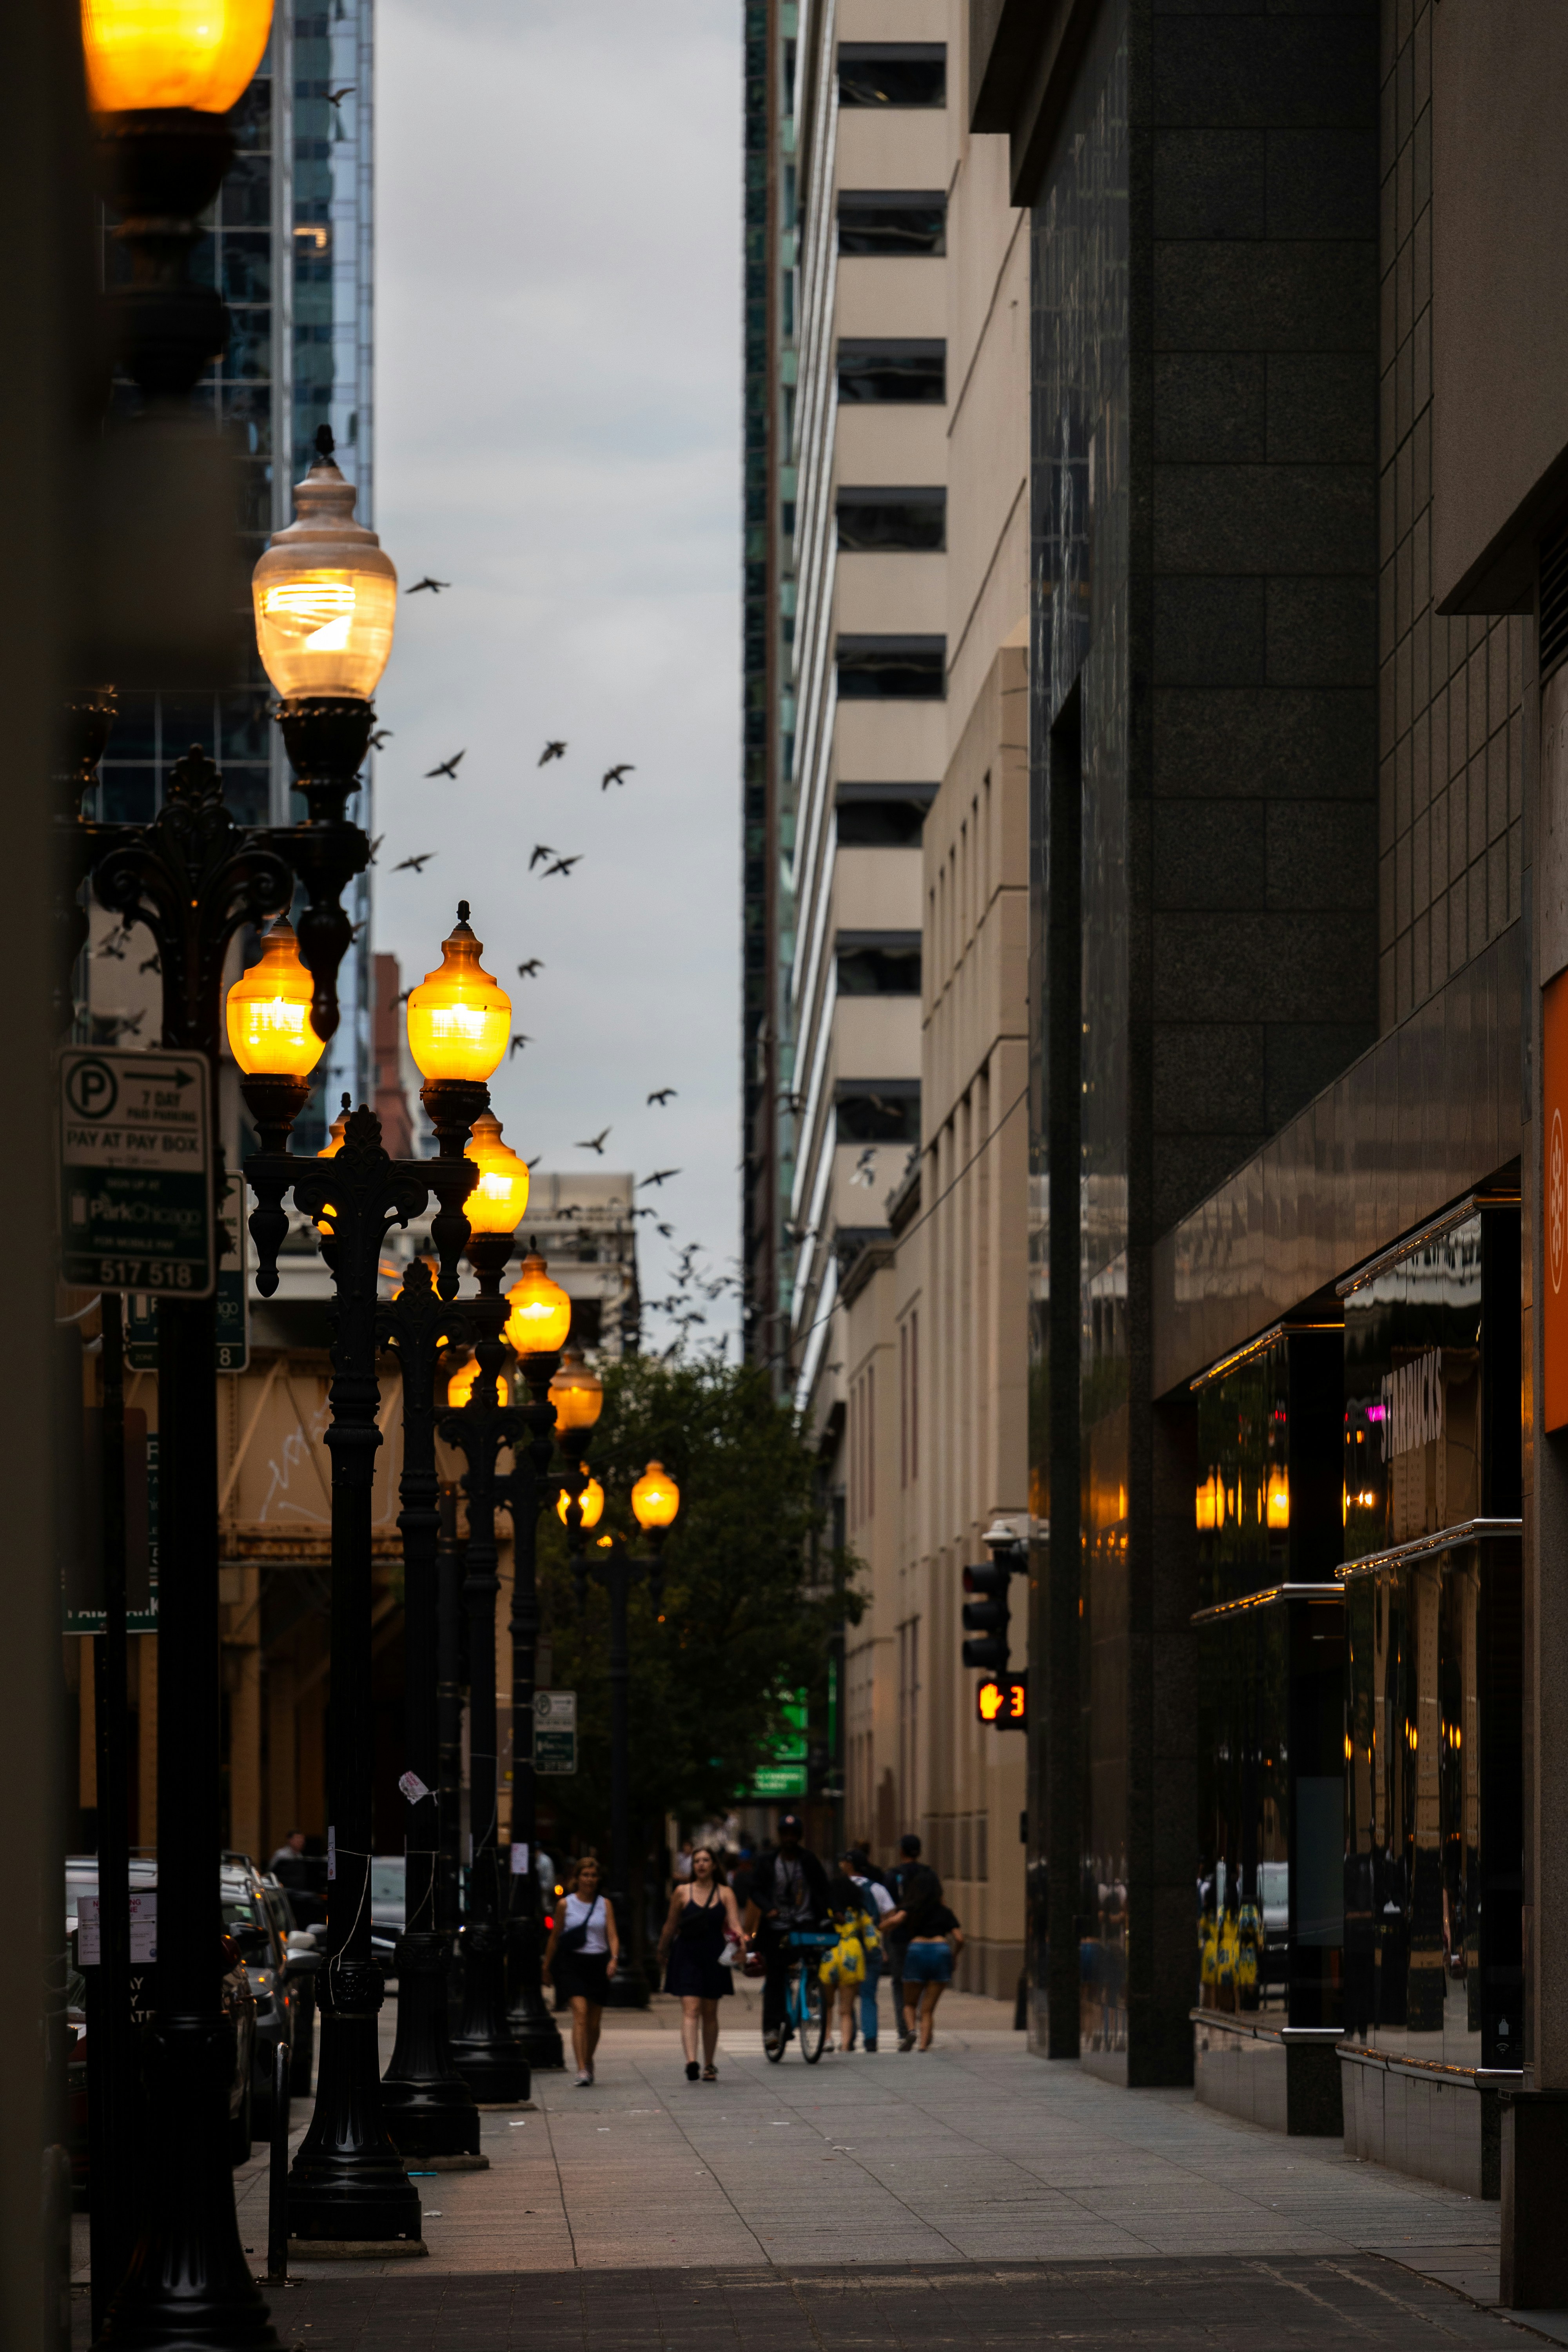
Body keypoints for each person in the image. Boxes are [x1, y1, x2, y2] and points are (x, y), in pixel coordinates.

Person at [742, 1813, 830, 2058]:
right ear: (780, 1836)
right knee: (776, 1978)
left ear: (800, 1837)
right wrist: (768, 1907)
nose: (790, 1838)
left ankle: (811, 1995)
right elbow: (756, 1890)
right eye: (786, 1834)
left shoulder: (808, 1861)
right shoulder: (768, 1861)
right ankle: (771, 2029)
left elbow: (824, 1890)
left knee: (813, 1964)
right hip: (776, 1929)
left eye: (794, 1834)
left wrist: (836, 1913)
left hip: (805, 1925)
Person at [656, 1843, 744, 2081]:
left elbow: (736, 1925)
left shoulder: (725, 1893)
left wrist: (743, 1945)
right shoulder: (682, 1892)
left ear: (714, 1865)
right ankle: (692, 2061)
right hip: (687, 1954)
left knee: (710, 2012)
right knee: (691, 2008)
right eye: (697, 1861)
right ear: (693, 1866)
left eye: (706, 1861)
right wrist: (662, 1949)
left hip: (714, 1956)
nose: (701, 1865)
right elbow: (671, 1924)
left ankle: (709, 2063)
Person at [543, 1852, 619, 2086]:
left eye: (594, 1875)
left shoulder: (604, 1904)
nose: (590, 1879)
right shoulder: (566, 1904)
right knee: (581, 2015)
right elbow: (555, 1938)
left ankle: (589, 2059)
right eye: (585, 1875)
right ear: (577, 1878)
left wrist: (614, 1959)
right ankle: (582, 2068)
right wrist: (547, 1966)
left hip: (598, 1963)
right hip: (572, 1964)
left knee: (595, 2022)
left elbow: (612, 1935)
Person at [884, 1881, 964, 2050]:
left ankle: (912, 2031)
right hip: (941, 1951)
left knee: (909, 2004)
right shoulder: (945, 1912)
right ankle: (923, 2046)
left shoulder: (912, 1909)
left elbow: (894, 1921)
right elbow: (959, 1938)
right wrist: (954, 1957)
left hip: (917, 1951)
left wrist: (880, 1926)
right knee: (927, 2010)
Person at [884, 1835, 942, 2052]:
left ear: (901, 1851)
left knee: (901, 1984)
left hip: (899, 1936)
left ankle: (906, 2031)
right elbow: (940, 1902)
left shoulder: (892, 1876)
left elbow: (886, 1908)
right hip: (926, 1936)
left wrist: (884, 1933)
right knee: (927, 1984)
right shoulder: (929, 1875)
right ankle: (926, 2030)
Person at [820, 1872, 881, 2054]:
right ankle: (846, 2045)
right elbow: (871, 1935)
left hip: (829, 1952)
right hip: (852, 1954)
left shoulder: (828, 1909)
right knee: (846, 2009)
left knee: (827, 2004)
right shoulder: (858, 1910)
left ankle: (827, 2039)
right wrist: (874, 1947)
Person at [842, 1848, 894, 2051]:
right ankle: (870, 2039)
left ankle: (849, 2038)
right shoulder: (877, 1889)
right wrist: (878, 1931)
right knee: (868, 1995)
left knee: (847, 1994)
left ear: (850, 1865)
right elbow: (891, 1915)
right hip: (870, 1948)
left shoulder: (840, 1888)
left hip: (846, 1948)